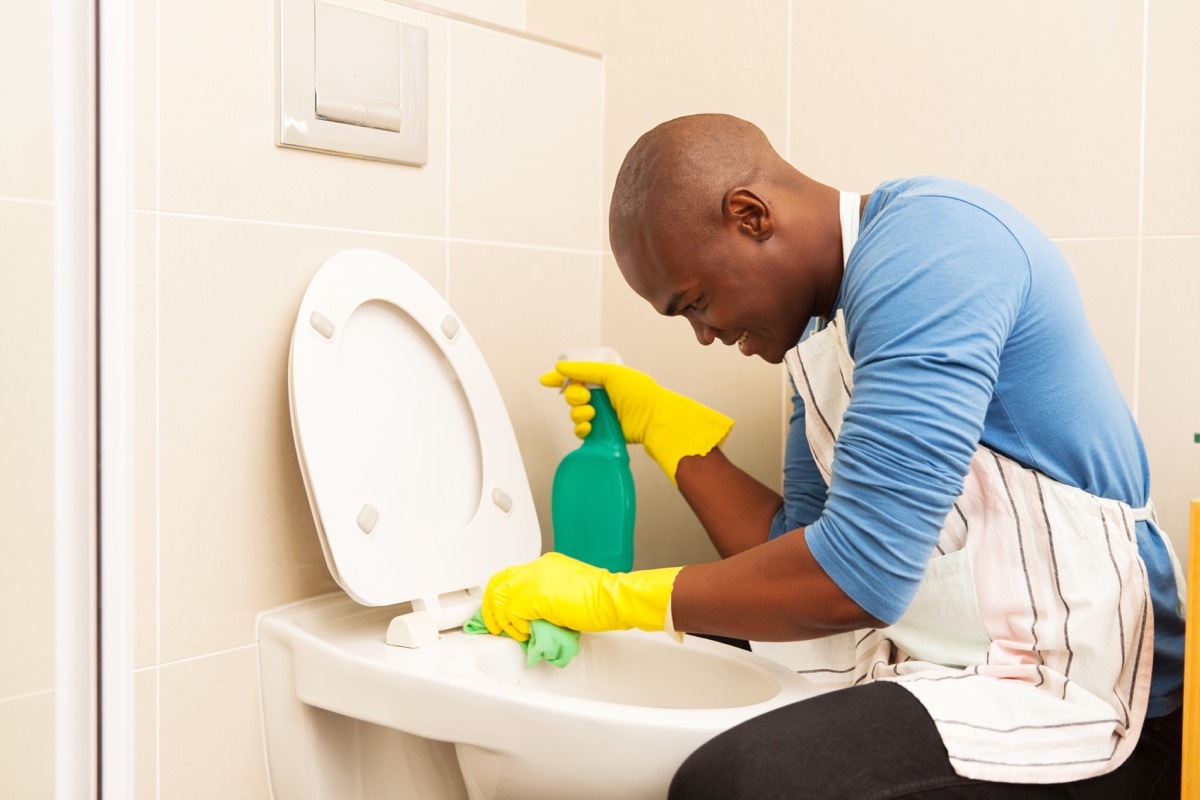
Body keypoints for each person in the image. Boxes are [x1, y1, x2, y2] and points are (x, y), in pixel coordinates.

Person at [480, 114, 1186, 798]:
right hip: (944, 662)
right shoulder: (820, 333)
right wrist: (676, 438)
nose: (706, 334)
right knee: (671, 686)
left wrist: (613, 599)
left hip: (1078, 691)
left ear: (751, 216)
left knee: (730, 780)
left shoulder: (933, 250)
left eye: (696, 303)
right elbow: (796, 553)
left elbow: (856, 576)